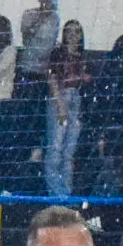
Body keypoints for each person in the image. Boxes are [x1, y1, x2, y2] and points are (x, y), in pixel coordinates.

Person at [44, 17, 89, 197]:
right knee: (55, 147)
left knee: (69, 151)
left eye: (76, 31)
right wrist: (60, 104)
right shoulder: (57, 54)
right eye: (68, 31)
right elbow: (52, 79)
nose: (72, 35)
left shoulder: (83, 57)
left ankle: (66, 191)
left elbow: (87, 81)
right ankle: (55, 192)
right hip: (60, 99)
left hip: (76, 101)